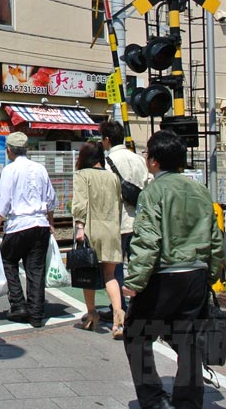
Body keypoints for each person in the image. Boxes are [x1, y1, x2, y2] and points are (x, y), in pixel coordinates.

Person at [122, 130, 224, 409]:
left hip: (163, 276)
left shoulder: (153, 191)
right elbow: (216, 238)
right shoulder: (200, 191)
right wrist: (211, 274)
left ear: (154, 161)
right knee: (189, 339)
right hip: (197, 275)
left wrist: (134, 281)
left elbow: (148, 239)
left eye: (147, 155)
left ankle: (154, 400)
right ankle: (189, 402)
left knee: (136, 335)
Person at [0, 131, 56, 328]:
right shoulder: (40, 168)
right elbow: (50, 198)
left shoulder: (10, 170)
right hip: (40, 224)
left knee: (7, 259)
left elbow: (4, 200)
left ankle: (18, 304)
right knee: (36, 269)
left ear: (9, 150)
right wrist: (50, 222)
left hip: (19, 224)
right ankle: (36, 314)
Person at [71, 141, 125, 337]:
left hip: (91, 229)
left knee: (87, 274)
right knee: (110, 276)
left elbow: (80, 203)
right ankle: (118, 319)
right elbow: (118, 204)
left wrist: (79, 227)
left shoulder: (82, 175)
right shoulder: (113, 178)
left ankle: (92, 313)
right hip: (111, 228)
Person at [100, 120, 151, 319]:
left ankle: (119, 308)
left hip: (118, 221)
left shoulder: (107, 162)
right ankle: (141, 305)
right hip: (139, 219)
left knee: (115, 267)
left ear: (107, 139)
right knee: (139, 264)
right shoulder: (138, 159)